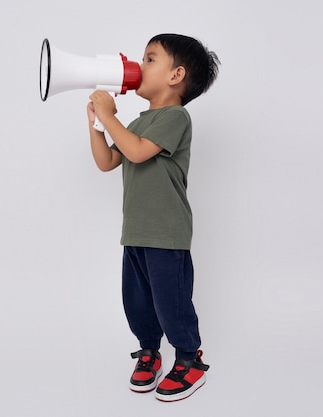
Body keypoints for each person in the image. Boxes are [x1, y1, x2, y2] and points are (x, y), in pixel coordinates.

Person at [87, 34, 220, 402]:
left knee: (171, 301)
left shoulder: (176, 117)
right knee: (138, 301)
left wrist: (111, 117)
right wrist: (97, 123)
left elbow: (138, 153)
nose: (138, 66)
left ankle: (190, 360)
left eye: (149, 59)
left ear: (176, 75)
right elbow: (108, 161)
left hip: (167, 232)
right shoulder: (140, 121)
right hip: (136, 231)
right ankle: (149, 352)